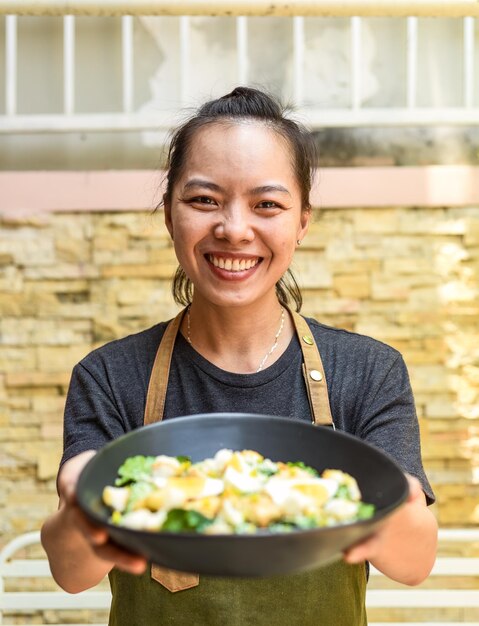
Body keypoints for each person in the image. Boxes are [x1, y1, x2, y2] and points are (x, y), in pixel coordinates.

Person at [41, 86, 437, 626]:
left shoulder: (367, 371)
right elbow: (71, 572)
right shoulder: (111, 376)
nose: (234, 228)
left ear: (301, 221)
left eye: (267, 204)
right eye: (204, 199)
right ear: (168, 214)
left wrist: (394, 502)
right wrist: (82, 507)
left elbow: (415, 564)